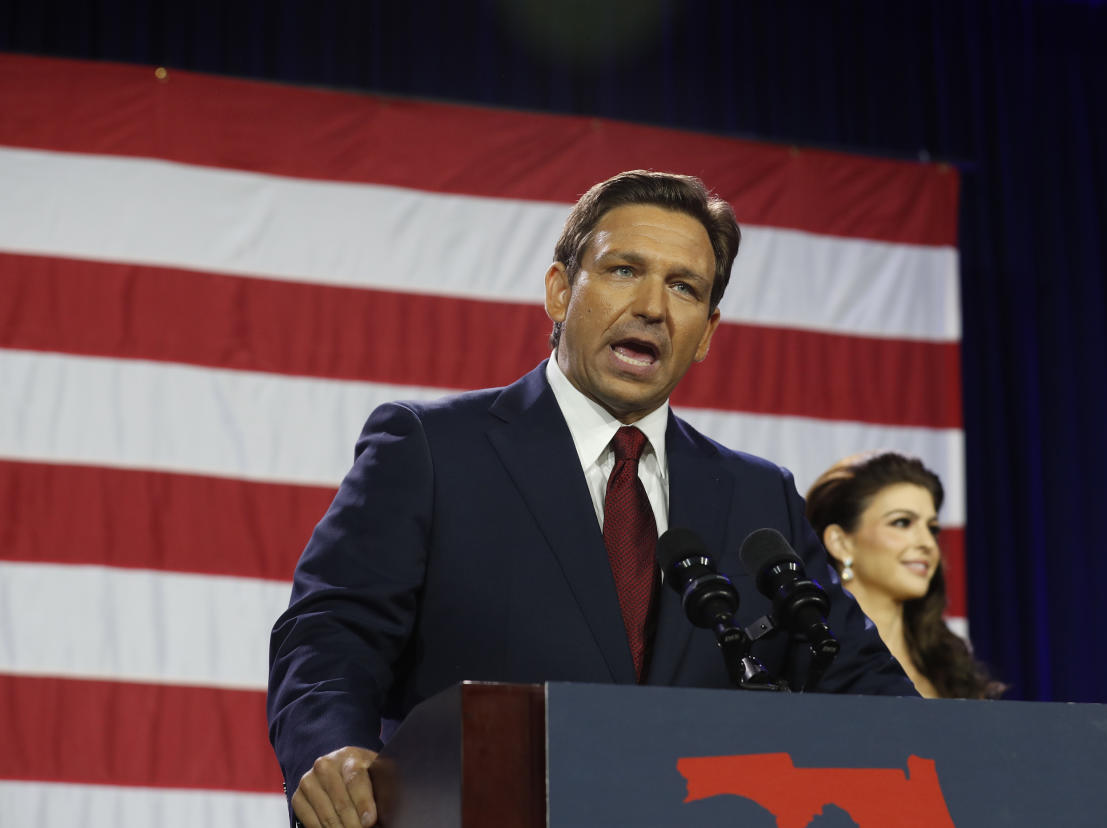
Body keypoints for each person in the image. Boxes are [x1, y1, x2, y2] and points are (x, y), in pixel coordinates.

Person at [267, 170, 915, 828]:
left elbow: (860, 682)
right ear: (559, 291)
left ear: (708, 331)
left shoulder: (758, 497)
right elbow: (331, 636)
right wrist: (333, 748)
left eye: (684, 287)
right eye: (624, 270)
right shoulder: (432, 449)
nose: (653, 308)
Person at [804, 452, 1005, 700]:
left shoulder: (952, 670)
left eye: (932, 529)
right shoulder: (808, 660)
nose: (928, 543)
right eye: (902, 522)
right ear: (840, 542)